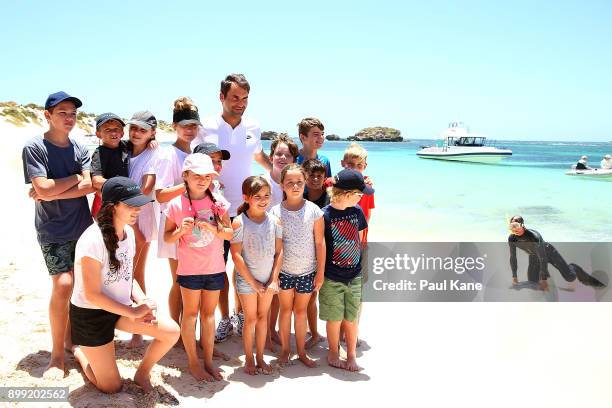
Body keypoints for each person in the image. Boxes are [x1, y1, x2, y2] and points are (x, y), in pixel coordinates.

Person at [70, 177, 179, 393]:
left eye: (139, 204)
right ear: (112, 207)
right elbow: (92, 295)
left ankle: (142, 374)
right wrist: (133, 311)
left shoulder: (128, 233)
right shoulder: (92, 240)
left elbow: (127, 278)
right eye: (131, 205)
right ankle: (79, 353)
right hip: (90, 315)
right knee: (111, 387)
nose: (137, 209)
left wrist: (142, 300)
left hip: (119, 308)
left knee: (171, 332)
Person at [190, 74, 271, 343]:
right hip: (218, 209)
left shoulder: (254, 125)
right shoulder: (207, 127)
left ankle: (241, 314)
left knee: (246, 266)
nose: (240, 103)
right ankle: (224, 318)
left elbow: (257, 155)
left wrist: (278, 173)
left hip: (248, 209)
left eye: (245, 98)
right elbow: (190, 158)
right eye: (235, 97)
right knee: (219, 267)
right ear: (221, 97)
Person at [22, 91, 94, 379]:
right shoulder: (34, 147)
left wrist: (52, 191)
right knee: (63, 284)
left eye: (73, 113)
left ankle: (72, 341)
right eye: (62, 112)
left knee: (79, 288)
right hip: (52, 229)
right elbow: (43, 188)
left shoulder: (80, 148)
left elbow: (90, 185)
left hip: (82, 225)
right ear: (47, 115)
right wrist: (72, 180)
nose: (69, 117)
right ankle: (56, 357)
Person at [163, 153, 232, 382]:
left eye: (207, 176)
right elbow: (167, 238)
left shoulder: (218, 202)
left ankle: (209, 361)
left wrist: (213, 229)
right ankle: (193, 362)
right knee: (190, 314)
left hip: (214, 267)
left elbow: (229, 233)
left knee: (208, 315)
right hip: (190, 269)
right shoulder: (175, 204)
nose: (202, 180)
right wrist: (181, 231)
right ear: (185, 176)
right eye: (197, 176)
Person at [271, 164, 325, 367]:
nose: (295, 186)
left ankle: (301, 351)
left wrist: (320, 273)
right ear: (281, 185)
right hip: (284, 272)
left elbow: (320, 243)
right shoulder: (275, 212)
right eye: (290, 183)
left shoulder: (314, 211)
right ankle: (286, 350)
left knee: (301, 312)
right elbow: (275, 247)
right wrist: (274, 275)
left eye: (299, 183)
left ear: (305, 183)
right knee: (285, 310)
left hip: (307, 272)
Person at [155, 97, 200, 334]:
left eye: (194, 125)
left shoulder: (193, 154)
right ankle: (177, 331)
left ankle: (188, 330)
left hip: (194, 224)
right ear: (174, 126)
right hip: (174, 224)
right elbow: (160, 194)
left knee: (192, 281)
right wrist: (191, 184)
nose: (190, 130)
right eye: (185, 125)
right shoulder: (167, 154)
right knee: (179, 281)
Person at [320, 169, 372, 372]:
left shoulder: (357, 212)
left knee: (351, 318)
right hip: (332, 276)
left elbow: (358, 242)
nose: (361, 198)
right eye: (360, 194)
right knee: (334, 318)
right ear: (348, 193)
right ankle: (333, 352)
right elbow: (321, 247)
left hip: (354, 275)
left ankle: (351, 355)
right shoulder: (324, 216)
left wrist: (361, 268)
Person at [230, 176, 282, 375]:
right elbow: (236, 256)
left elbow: (279, 253)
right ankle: (249, 358)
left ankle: (260, 357)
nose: (263, 200)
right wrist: (253, 283)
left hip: (268, 281)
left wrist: (273, 280)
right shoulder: (239, 222)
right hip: (247, 281)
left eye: (266, 196)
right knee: (250, 319)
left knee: (263, 318)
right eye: (257, 196)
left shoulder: (275, 221)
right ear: (246, 198)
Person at [126, 111, 160, 347]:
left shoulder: (153, 153)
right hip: (121, 217)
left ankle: (139, 330)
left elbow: (147, 190)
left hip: (140, 218)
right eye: (134, 128)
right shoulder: (123, 151)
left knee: (135, 275)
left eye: (142, 130)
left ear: (152, 133)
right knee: (119, 274)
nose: (136, 133)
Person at [508, 216, 605, 291]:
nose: (514, 229)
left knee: (570, 277)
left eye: (516, 226)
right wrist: (514, 276)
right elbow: (513, 257)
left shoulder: (534, 236)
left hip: (548, 252)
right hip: (534, 256)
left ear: (522, 225)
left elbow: (543, 258)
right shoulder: (512, 238)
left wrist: (544, 279)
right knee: (533, 283)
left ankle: (573, 267)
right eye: (511, 226)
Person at [90, 113, 129, 218]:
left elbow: (142, 143)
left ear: (122, 133)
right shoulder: (99, 153)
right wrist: (124, 185)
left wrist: (151, 141)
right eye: (107, 130)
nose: (113, 132)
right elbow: (96, 181)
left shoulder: (125, 145)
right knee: (105, 232)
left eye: (116, 129)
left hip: (121, 201)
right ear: (98, 134)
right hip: (104, 202)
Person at [341, 143, 375, 246]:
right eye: (350, 164)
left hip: (359, 236)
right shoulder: (336, 184)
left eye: (359, 165)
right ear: (343, 163)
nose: (355, 169)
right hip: (340, 235)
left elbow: (368, 215)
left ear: (365, 166)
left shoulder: (368, 188)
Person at [265, 134, 299, 208]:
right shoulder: (263, 182)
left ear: (294, 161)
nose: (283, 157)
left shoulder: (298, 185)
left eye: (288, 155)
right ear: (271, 158)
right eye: (279, 154)